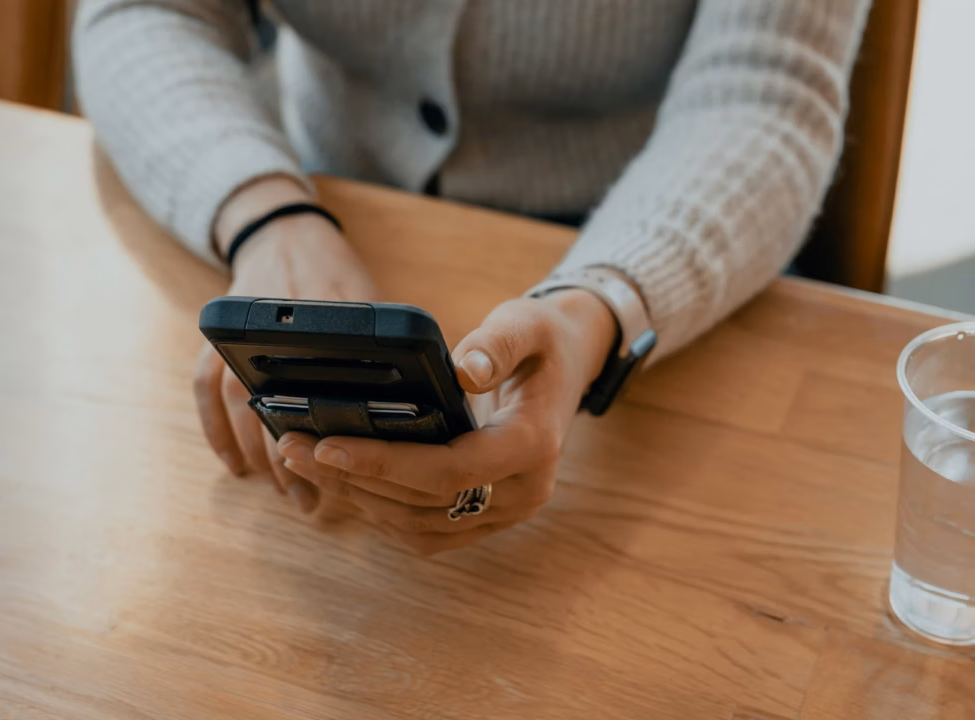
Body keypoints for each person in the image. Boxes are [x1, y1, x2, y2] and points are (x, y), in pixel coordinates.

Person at [74, 0, 871, 554]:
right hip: (325, 199)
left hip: (663, 258)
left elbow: (765, 95)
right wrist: (263, 212)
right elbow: (147, 12)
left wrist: (600, 303)